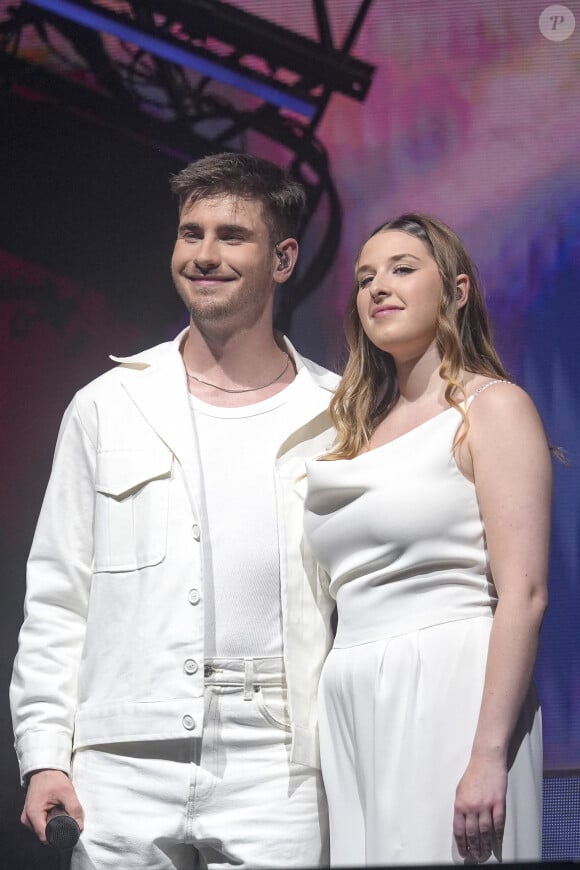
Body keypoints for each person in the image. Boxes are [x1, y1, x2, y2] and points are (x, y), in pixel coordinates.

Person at [10, 152, 339, 869]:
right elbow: (59, 595)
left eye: (231, 236)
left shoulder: (336, 414)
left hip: (278, 761)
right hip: (121, 756)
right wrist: (44, 754)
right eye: (191, 234)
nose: (204, 255)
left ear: (283, 259)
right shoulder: (109, 405)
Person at [303, 213, 551, 866]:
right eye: (364, 278)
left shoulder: (492, 408)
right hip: (352, 694)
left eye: (402, 269)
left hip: (447, 683)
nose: (377, 286)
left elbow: (523, 594)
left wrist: (488, 753)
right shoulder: (349, 433)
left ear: (458, 290)